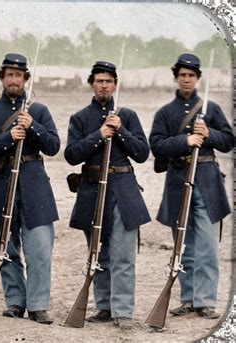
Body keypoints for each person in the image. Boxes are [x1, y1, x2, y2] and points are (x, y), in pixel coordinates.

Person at [0, 53, 59, 325]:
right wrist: (8, 137)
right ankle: (15, 302)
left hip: (34, 185)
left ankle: (38, 305)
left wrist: (32, 126)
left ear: (25, 79)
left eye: (19, 75)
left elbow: (54, 146)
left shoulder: (40, 111)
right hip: (1, 184)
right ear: (2, 78)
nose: (14, 80)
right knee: (6, 249)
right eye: (9, 74)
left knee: (40, 250)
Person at [64, 61, 151, 330]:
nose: (104, 85)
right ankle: (104, 306)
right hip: (92, 190)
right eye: (99, 81)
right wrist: (100, 134)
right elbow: (71, 155)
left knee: (123, 254)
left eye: (109, 81)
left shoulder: (128, 115)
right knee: (97, 253)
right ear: (92, 83)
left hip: (123, 188)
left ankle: (123, 311)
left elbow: (142, 153)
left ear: (115, 85)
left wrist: (121, 130)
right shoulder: (80, 118)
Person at [149, 53, 232, 320]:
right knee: (182, 243)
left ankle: (205, 300)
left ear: (197, 78)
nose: (186, 79)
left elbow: (229, 141)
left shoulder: (212, 109)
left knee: (207, 244)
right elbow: (157, 145)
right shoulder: (165, 113)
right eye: (182, 75)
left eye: (191, 75)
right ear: (176, 77)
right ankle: (187, 298)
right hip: (177, 179)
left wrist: (209, 134)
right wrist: (185, 141)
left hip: (207, 179)